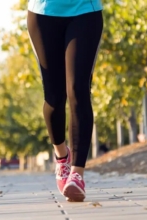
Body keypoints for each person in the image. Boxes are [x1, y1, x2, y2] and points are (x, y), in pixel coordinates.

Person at [27, 0, 103, 202]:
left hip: (85, 11)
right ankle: (62, 157)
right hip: (43, 14)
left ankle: (77, 174)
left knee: (78, 89)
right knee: (54, 97)